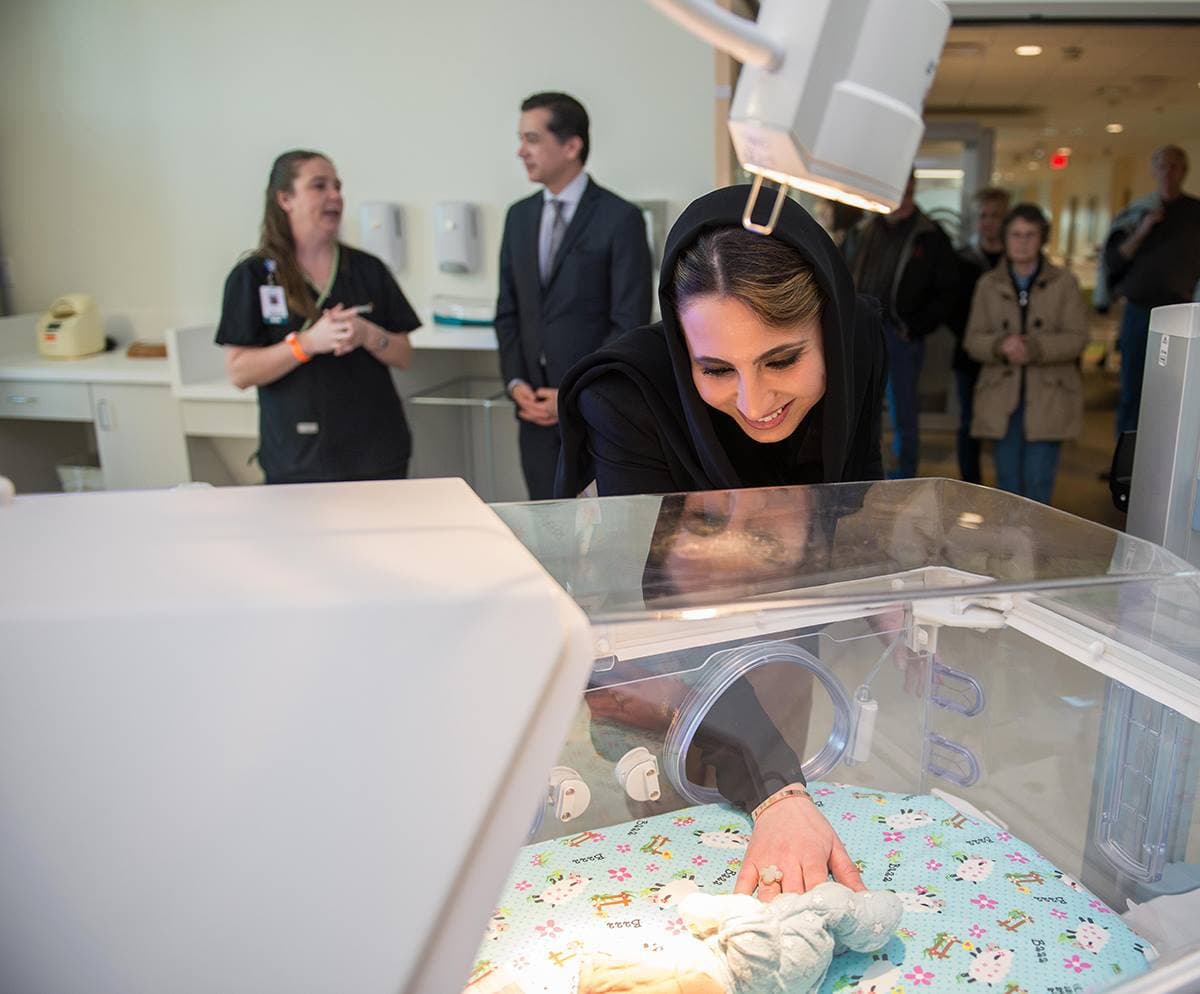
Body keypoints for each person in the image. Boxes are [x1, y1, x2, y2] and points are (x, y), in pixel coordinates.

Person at [556, 185, 888, 902]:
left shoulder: (860, 345)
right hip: (661, 655)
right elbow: (634, 606)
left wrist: (888, 595)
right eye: (716, 370)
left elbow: (851, 506)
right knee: (668, 844)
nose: (755, 402)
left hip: (787, 633)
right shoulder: (628, 395)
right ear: (682, 351)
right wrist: (774, 787)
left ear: (828, 329)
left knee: (784, 808)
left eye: (782, 360)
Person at [216, 150, 420, 484]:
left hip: (375, 453)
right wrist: (307, 344)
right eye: (319, 186)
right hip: (298, 458)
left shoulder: (367, 270)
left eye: (338, 186)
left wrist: (368, 334)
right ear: (285, 199)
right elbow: (240, 372)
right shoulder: (253, 277)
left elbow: (404, 355)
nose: (335, 196)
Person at [495, 92, 653, 499]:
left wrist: (573, 392)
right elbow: (508, 311)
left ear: (571, 145)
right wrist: (515, 384)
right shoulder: (518, 217)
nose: (520, 151)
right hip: (533, 417)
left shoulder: (621, 219)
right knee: (546, 532)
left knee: (600, 538)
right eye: (521, 139)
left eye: (531, 139)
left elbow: (629, 322)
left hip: (595, 412)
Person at [965, 204, 1088, 504]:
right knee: (1006, 484)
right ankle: (1011, 548)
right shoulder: (988, 284)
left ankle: (1034, 550)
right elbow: (972, 340)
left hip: (1049, 396)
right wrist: (1000, 345)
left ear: (1042, 238)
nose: (1022, 242)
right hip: (1002, 398)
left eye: (1030, 235)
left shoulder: (1065, 282)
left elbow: (1077, 338)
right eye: (1016, 234)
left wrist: (1034, 347)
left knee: (1038, 482)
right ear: (1005, 238)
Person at [842, 172, 960, 479]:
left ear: (912, 187)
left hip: (900, 336)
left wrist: (915, 326)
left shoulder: (930, 235)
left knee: (903, 414)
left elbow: (948, 292)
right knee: (864, 413)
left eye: (905, 189)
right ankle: (869, 479)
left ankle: (904, 479)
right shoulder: (865, 230)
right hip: (863, 332)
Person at [1101, 145, 1200, 435]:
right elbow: (1114, 260)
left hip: (1181, 313)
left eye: (1175, 166)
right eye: (1163, 166)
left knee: (1173, 392)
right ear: (1153, 170)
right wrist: (1144, 229)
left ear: (1184, 171)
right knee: (1132, 389)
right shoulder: (1136, 212)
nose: (1168, 172)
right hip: (1139, 310)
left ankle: (1162, 462)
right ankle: (1127, 468)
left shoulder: (1196, 213)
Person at [951, 187, 1011, 484]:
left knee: (1005, 426)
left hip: (1007, 360)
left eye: (995, 216)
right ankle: (970, 485)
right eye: (983, 216)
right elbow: (952, 309)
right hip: (970, 356)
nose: (989, 222)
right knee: (969, 424)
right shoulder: (962, 259)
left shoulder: (1016, 261)